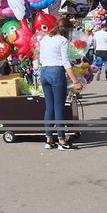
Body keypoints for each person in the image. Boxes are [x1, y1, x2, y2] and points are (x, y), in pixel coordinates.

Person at [38, 16, 83, 149]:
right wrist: (76, 82)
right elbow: (65, 62)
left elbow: (41, 58)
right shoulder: (63, 41)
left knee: (49, 107)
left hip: (44, 72)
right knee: (59, 107)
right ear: (67, 30)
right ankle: (62, 140)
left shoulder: (45, 38)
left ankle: (48, 139)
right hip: (56, 72)